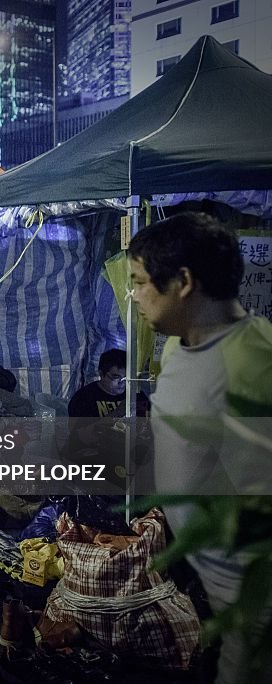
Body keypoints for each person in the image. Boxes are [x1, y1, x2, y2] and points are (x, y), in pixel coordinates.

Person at [129, 211, 272, 684]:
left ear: (183, 282)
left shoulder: (252, 366)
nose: (133, 296)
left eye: (140, 281)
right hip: (214, 595)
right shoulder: (182, 345)